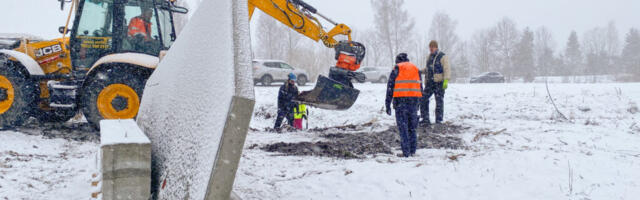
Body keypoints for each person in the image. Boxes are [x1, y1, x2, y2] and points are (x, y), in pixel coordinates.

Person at [385, 53, 423, 157]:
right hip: (414, 102)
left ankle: (406, 152)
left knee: (403, 128)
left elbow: (390, 88)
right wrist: (419, 103)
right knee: (412, 128)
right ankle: (413, 150)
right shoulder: (415, 69)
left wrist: (387, 104)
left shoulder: (397, 68)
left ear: (398, 61)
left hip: (401, 102)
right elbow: (420, 87)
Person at [420, 40, 451, 126]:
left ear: (436, 47)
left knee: (439, 101)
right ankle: (425, 119)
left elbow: (447, 69)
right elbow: (427, 69)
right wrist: (419, 71)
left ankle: (439, 120)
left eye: (433, 47)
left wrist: (446, 80)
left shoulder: (442, 56)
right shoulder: (429, 57)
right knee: (423, 99)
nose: (431, 49)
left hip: (439, 83)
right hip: (429, 83)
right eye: (430, 47)